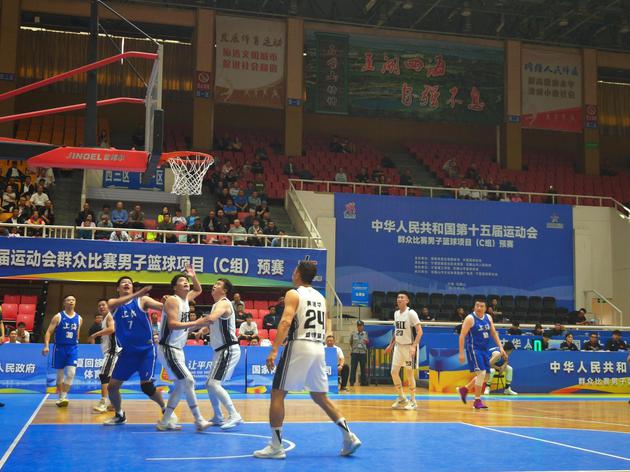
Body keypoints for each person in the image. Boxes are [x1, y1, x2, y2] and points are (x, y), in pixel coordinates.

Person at [253, 261, 361, 459]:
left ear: (298, 274)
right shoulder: (320, 297)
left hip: (299, 344)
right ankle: (349, 436)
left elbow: (285, 321)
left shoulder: (294, 294)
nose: (293, 272)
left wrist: (274, 350)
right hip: (318, 347)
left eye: (295, 270)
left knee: (277, 393)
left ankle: (276, 446)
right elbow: (327, 323)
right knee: (320, 396)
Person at [103, 277, 168, 426]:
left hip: (146, 351)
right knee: (112, 387)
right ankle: (120, 415)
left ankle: (166, 410)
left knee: (147, 386)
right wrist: (138, 293)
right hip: (127, 354)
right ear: (118, 288)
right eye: (123, 283)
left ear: (132, 287)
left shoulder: (142, 300)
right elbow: (112, 304)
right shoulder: (113, 303)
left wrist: (167, 301)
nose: (126, 284)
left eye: (129, 283)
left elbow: (163, 308)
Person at [156, 265, 211, 431]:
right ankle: (199, 419)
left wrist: (193, 276)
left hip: (178, 349)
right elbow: (172, 324)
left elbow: (198, 289)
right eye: (182, 281)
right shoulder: (173, 300)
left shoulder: (186, 299)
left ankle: (164, 422)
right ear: (175, 287)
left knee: (180, 386)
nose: (186, 282)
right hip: (168, 347)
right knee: (189, 381)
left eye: (187, 281)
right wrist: (197, 322)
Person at [198, 278, 243, 430]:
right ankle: (218, 416)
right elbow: (213, 324)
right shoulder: (216, 305)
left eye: (218, 284)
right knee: (209, 384)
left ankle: (234, 414)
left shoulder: (224, 303)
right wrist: (202, 330)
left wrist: (191, 325)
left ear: (224, 291)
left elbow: (211, 319)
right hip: (220, 350)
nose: (214, 285)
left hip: (228, 349)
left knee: (213, 384)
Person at [456, 299, 506, 409]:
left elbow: (493, 333)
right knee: (482, 373)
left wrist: (501, 347)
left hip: (484, 350)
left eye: (481, 306)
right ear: (474, 307)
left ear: (485, 308)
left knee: (486, 376)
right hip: (474, 349)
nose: (479, 308)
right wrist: (461, 353)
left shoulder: (488, 317)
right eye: (477, 306)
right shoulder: (470, 318)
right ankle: (477, 400)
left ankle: (465, 389)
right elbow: (462, 336)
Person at [42, 295, 83, 407]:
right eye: (68, 300)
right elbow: (48, 332)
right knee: (60, 374)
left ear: (75, 302)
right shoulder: (58, 316)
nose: (71, 301)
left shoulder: (79, 318)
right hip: (59, 347)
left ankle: (64, 396)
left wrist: (76, 342)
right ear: (64, 303)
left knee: (71, 373)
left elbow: (77, 333)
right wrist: (46, 346)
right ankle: (60, 397)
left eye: (73, 300)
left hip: (73, 347)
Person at [385, 291, 423, 410]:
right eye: (398, 297)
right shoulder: (396, 313)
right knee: (393, 372)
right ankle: (401, 397)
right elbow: (397, 331)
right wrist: (391, 345)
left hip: (408, 347)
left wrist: (414, 346)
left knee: (409, 373)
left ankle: (413, 400)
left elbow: (420, 332)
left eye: (402, 297)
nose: (399, 299)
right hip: (398, 347)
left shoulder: (411, 313)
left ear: (407, 300)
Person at [88, 299, 120, 413]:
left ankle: (103, 403)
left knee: (104, 376)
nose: (101, 307)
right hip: (110, 351)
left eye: (103, 305)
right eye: (99, 305)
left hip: (112, 351)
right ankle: (113, 403)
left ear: (108, 306)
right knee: (111, 379)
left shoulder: (110, 316)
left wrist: (95, 334)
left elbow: (111, 329)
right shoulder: (104, 320)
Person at [349, 320, 369, 387]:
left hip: (363, 353)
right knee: (353, 368)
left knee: (363, 368)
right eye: (358, 326)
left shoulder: (365, 334)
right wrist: (352, 349)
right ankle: (352, 382)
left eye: (361, 326)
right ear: (357, 326)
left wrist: (367, 342)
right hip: (355, 352)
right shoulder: (353, 333)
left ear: (363, 326)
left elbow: (367, 342)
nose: (360, 327)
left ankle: (363, 382)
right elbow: (351, 342)